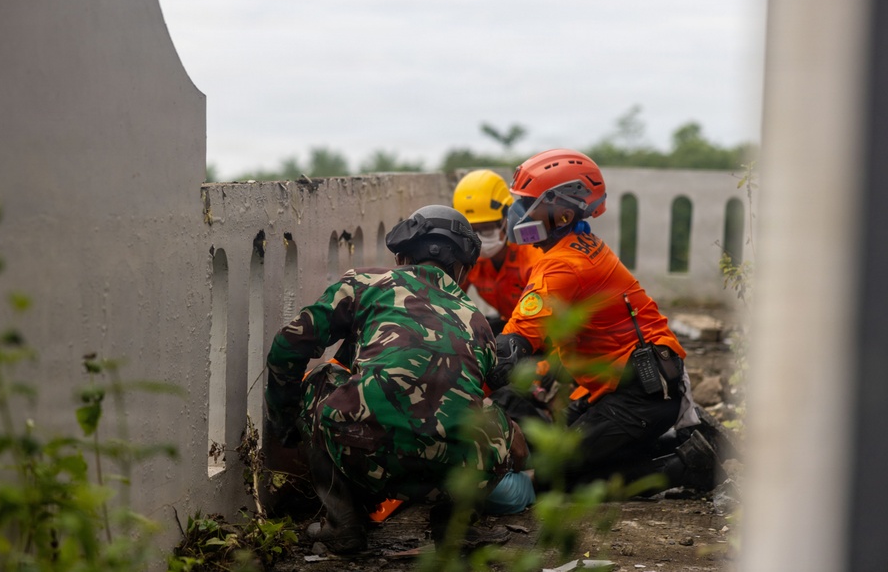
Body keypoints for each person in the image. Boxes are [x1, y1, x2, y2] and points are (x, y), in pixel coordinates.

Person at [264, 205, 530, 554]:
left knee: (321, 376)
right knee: (493, 420)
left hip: (361, 453)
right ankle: (454, 528)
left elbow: (289, 343)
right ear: (463, 268)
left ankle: (342, 522)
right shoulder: (477, 321)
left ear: (402, 257)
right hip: (452, 473)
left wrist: (284, 422)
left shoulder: (365, 283)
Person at [488, 148, 720, 492]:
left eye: (527, 204)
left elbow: (511, 349)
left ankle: (686, 468)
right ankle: (678, 442)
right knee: (560, 449)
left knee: (553, 477)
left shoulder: (561, 266)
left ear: (564, 216)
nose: (517, 213)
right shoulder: (582, 244)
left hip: (640, 395)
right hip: (636, 383)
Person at [452, 169, 544, 336]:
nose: (478, 239)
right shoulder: (468, 260)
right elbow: (447, 300)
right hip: (510, 323)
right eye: (472, 231)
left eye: (486, 228)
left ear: (507, 220)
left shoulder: (534, 258)